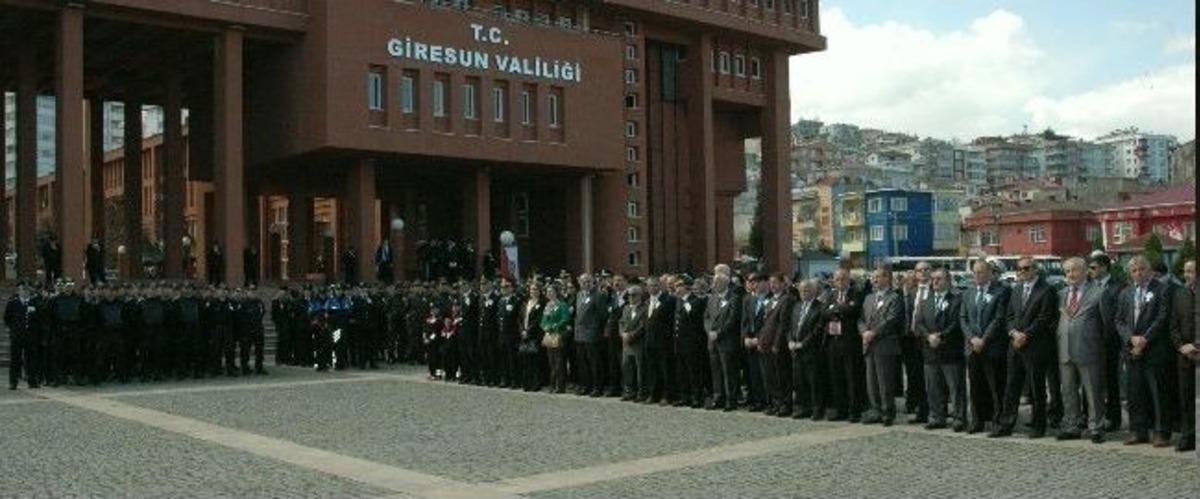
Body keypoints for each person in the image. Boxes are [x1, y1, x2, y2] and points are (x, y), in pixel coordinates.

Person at [993, 256, 1059, 439]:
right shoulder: (1017, 289)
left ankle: (1038, 425)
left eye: (1026, 268)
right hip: (1015, 345)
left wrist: (1026, 335)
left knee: (1037, 388)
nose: (1022, 272)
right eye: (1019, 269)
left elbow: (1045, 318)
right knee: (1012, 386)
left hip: (1036, 346)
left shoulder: (1047, 290)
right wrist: (1014, 333)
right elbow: (1010, 316)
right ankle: (1006, 424)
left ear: (1035, 269)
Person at [1116, 255, 1170, 447]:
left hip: (1154, 348)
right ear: (1130, 274)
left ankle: (1161, 432)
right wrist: (1131, 338)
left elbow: (1162, 317)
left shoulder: (1162, 289)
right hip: (1132, 351)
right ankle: (1138, 431)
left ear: (1150, 270)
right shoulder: (1126, 293)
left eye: (1142, 269)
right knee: (1135, 392)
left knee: (1157, 392)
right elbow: (1119, 320)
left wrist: (1145, 338)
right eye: (1134, 270)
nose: (1138, 273)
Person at [1054, 257, 1106, 443]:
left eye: (1075, 270)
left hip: (1089, 349)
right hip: (1065, 349)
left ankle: (1096, 426)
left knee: (1092, 391)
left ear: (1085, 272)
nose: (1070, 275)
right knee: (1067, 390)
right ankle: (1071, 425)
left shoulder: (1098, 293)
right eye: (1067, 271)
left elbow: (1106, 324)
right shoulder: (1060, 294)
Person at [960, 260, 1010, 434]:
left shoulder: (1001, 291)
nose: (977, 276)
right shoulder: (968, 293)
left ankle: (998, 422)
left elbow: (999, 319)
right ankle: (977, 421)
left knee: (996, 387)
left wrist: (984, 340)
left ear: (990, 273)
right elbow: (963, 318)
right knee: (975, 387)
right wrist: (972, 338)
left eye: (980, 272)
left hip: (992, 347)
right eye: (974, 273)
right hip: (972, 347)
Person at [914, 268, 966, 431]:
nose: (935, 281)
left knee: (955, 387)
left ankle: (959, 418)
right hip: (930, 351)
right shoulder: (926, 300)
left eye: (939, 279)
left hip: (950, 351)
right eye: (933, 279)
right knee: (933, 387)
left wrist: (941, 336)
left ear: (948, 281)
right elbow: (919, 323)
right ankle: (936, 416)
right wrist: (929, 336)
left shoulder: (957, 299)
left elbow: (957, 323)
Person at [859, 264, 904, 426]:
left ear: (887, 278)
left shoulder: (894, 297)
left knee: (885, 381)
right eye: (873, 277)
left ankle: (887, 412)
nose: (875, 280)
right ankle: (875, 410)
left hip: (885, 345)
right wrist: (864, 331)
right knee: (871, 381)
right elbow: (861, 319)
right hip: (868, 344)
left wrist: (874, 333)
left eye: (878, 277)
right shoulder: (869, 298)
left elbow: (891, 320)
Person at [1088, 253, 1126, 432]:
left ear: (1104, 267)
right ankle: (1092, 417)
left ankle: (1114, 418)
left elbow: (1120, 315)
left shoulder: (1118, 287)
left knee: (1111, 382)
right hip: (1090, 341)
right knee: (1091, 382)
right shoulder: (1088, 286)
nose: (1091, 271)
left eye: (1094, 267)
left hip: (1110, 342)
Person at [821, 267, 865, 422]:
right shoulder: (830, 295)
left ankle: (854, 410)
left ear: (849, 280)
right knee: (836, 377)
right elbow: (824, 312)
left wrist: (835, 309)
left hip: (850, 342)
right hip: (833, 341)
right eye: (837, 279)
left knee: (852, 377)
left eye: (843, 279)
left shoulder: (856, 294)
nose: (840, 282)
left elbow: (853, 309)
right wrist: (838, 310)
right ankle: (840, 409)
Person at [787, 279, 826, 419]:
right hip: (796, 351)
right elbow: (791, 326)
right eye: (802, 290)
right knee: (799, 381)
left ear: (814, 291)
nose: (804, 293)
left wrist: (803, 343)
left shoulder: (820, 307)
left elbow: (818, 329)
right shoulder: (796, 306)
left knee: (814, 382)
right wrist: (790, 340)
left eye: (807, 290)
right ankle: (800, 407)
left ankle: (816, 409)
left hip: (811, 350)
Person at [704, 273, 742, 411]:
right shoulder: (712, 298)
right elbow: (706, 317)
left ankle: (730, 399)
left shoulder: (734, 298)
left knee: (728, 372)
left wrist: (718, 333)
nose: (713, 285)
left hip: (726, 341)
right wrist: (709, 331)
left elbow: (732, 320)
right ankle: (718, 397)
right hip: (712, 341)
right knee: (716, 371)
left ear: (724, 283)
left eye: (715, 283)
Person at [902, 261, 932, 424]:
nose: (923, 273)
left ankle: (935, 410)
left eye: (926, 270)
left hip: (928, 339)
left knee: (931, 378)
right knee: (915, 376)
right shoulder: (912, 292)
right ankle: (921, 410)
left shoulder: (934, 290)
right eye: (919, 270)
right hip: (911, 340)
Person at [1171, 259, 1196, 452]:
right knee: (1186, 398)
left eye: (1191, 271)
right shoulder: (1180, 294)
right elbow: (1173, 326)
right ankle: (1187, 436)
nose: (1187, 275)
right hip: (1185, 355)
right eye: (1185, 271)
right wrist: (1181, 346)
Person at [672, 275, 708, 408]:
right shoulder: (679, 302)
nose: (676, 289)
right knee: (682, 371)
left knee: (693, 371)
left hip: (692, 343)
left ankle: (696, 397)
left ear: (686, 287)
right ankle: (684, 396)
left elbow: (693, 318)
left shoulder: (696, 301)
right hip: (679, 341)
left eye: (678, 286)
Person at [643, 275, 677, 404]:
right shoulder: (646, 301)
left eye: (655, 285)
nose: (653, 288)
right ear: (647, 288)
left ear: (660, 286)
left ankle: (667, 395)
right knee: (652, 369)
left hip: (664, 340)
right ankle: (653, 393)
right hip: (649, 340)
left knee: (665, 369)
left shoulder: (668, 300)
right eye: (650, 286)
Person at [574, 273, 608, 396]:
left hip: (592, 334)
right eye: (583, 282)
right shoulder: (579, 295)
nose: (586, 284)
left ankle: (597, 387)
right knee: (582, 363)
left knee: (595, 363)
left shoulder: (598, 295)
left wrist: (596, 329)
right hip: (579, 334)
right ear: (579, 283)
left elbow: (603, 315)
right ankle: (585, 386)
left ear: (593, 282)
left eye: (588, 281)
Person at [5, 283, 42, 390]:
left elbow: (39, 318)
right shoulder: (13, 303)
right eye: (22, 290)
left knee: (31, 359)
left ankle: (32, 381)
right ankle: (13, 382)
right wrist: (14, 329)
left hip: (30, 335)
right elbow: (7, 318)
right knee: (15, 359)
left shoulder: (34, 302)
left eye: (27, 290)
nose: (25, 292)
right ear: (18, 291)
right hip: (17, 335)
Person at [540, 284, 572, 393]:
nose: (549, 294)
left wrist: (556, 325)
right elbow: (543, 319)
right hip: (549, 335)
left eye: (551, 291)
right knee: (551, 361)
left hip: (559, 334)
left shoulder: (562, 305)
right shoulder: (548, 305)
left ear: (556, 292)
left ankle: (560, 385)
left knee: (559, 361)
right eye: (548, 292)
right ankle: (552, 384)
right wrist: (544, 326)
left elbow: (566, 318)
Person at [619, 285, 648, 401]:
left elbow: (643, 326)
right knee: (627, 367)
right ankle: (629, 391)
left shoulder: (645, 308)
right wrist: (622, 334)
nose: (631, 297)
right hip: (626, 343)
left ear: (640, 296)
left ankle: (641, 392)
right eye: (629, 295)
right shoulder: (626, 308)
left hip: (638, 343)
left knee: (640, 368)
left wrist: (631, 335)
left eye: (634, 295)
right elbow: (621, 322)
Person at [517, 282, 545, 392]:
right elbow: (520, 318)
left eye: (535, 290)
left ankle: (536, 383)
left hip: (535, 335)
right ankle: (526, 383)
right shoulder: (525, 303)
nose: (533, 292)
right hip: (524, 335)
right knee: (525, 360)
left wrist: (528, 331)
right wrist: (522, 331)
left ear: (539, 291)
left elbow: (538, 319)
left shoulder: (542, 303)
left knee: (535, 360)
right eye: (532, 290)